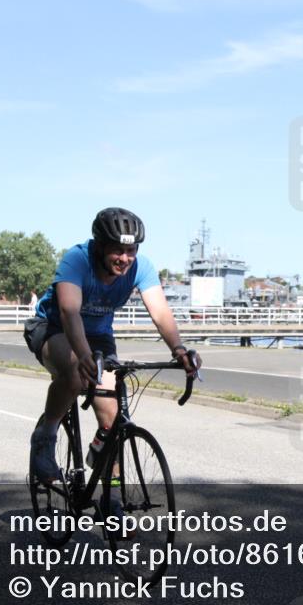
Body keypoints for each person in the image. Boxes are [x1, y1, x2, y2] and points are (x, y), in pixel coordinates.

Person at [24, 207, 201, 485]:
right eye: (117, 250)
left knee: (113, 420)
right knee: (75, 372)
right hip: (54, 327)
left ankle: (113, 494)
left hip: (98, 337)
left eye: (131, 251)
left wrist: (178, 349)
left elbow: (160, 312)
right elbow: (69, 311)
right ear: (100, 246)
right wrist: (83, 355)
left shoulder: (142, 267)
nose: (125, 258)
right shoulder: (77, 259)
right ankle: (45, 435)